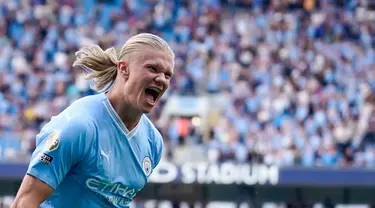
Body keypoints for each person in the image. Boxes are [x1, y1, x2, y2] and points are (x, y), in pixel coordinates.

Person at [11, 33, 175, 208]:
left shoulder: (153, 143)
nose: (161, 79)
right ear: (124, 69)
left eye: (167, 74)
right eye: (152, 69)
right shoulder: (79, 127)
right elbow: (24, 202)